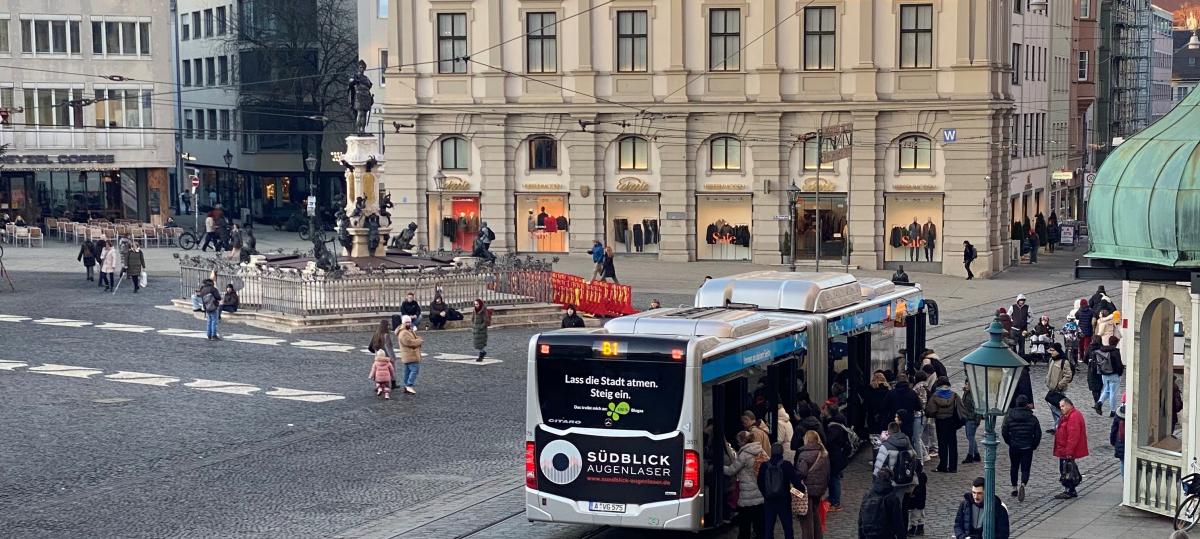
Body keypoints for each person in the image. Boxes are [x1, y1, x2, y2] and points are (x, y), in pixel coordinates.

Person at [723, 431, 765, 539]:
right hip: (760, 493)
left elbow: (731, 471)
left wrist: (718, 466)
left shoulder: (744, 455)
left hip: (747, 495)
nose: (737, 443)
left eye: (738, 441)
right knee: (759, 524)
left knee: (744, 525)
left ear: (743, 441)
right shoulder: (761, 451)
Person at [1000, 394, 1041, 501]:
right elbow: (1038, 434)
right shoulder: (1032, 418)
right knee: (1025, 468)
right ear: (1027, 404)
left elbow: (1004, 431)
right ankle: (1023, 483)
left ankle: (1014, 487)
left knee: (1014, 466)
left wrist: (1009, 442)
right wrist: (1034, 445)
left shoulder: (1010, 417)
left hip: (1014, 446)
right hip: (1027, 447)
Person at [759, 443, 801, 539]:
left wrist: (766, 494)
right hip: (784, 500)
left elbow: (760, 483)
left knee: (769, 528)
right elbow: (795, 482)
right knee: (787, 528)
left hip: (769, 501)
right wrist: (800, 493)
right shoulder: (786, 465)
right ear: (782, 452)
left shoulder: (764, 466)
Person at [793, 431, 829, 539]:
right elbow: (827, 472)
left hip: (806, 490)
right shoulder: (823, 453)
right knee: (815, 513)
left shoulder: (804, 454)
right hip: (819, 490)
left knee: (806, 519)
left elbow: (801, 473)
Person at [1053, 397, 1089, 499]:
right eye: (1060, 407)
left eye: (1063, 406)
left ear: (1069, 405)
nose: (1061, 408)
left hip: (1066, 450)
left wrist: (1069, 451)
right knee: (1067, 469)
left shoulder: (1073, 417)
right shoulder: (1068, 415)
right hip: (1063, 449)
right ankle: (1070, 489)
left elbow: (1073, 436)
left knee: (1067, 470)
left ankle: (1069, 489)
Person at [926, 376, 963, 472]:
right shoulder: (954, 395)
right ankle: (953, 467)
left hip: (940, 422)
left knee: (942, 444)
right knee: (952, 444)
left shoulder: (935, 396)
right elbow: (961, 408)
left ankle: (942, 465)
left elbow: (931, 410)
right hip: (951, 421)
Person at [858, 468, 906, 539]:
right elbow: (898, 522)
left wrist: (861, 535)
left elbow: (861, 518)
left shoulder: (867, 495)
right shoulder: (892, 498)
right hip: (885, 534)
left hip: (868, 534)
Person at [822, 409, 852, 512]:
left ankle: (835, 503)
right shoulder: (838, 425)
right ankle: (833, 499)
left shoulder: (834, 428)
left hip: (835, 457)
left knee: (834, 479)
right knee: (834, 478)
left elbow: (828, 441)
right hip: (838, 457)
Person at [883, 374, 921, 439]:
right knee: (907, 440)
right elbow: (918, 407)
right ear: (907, 381)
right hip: (908, 421)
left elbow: (884, 407)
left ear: (897, 381)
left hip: (894, 420)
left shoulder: (891, 393)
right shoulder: (912, 393)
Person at [1094, 336, 1124, 416]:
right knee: (1113, 393)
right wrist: (1120, 372)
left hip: (1104, 374)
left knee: (1106, 390)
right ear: (1116, 343)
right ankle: (1113, 411)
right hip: (1114, 374)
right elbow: (1119, 364)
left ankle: (1099, 403)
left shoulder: (1103, 350)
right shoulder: (1115, 352)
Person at [1045, 343, 1073, 429]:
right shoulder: (1051, 360)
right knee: (1053, 409)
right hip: (1052, 389)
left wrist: (1060, 385)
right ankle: (1057, 426)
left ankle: (1060, 426)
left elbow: (1068, 375)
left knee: (1059, 409)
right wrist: (1047, 381)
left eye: (1053, 350)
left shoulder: (1064, 362)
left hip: (1059, 390)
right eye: (1051, 350)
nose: (1051, 352)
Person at [396, 315, 424, 394]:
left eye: (409, 322)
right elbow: (409, 342)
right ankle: (409, 385)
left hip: (409, 355)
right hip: (410, 355)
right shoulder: (404, 332)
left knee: (407, 371)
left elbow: (413, 338)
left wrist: (418, 339)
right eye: (406, 322)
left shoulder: (408, 330)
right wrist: (419, 341)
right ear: (403, 323)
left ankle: (406, 385)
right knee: (415, 370)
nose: (408, 323)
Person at [905, 457, 929, 537]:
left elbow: (915, 489)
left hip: (916, 499)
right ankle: (920, 528)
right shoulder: (923, 476)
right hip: (921, 499)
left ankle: (913, 529)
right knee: (921, 514)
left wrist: (912, 494)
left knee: (914, 516)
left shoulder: (916, 478)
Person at [960, 381, 982, 464]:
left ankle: (970, 456)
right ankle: (976, 455)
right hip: (968, 418)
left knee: (970, 437)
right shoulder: (967, 393)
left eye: (967, 384)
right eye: (965, 384)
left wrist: (976, 420)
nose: (966, 385)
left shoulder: (973, 395)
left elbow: (977, 408)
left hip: (971, 419)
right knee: (970, 437)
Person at [912, 371, 931, 462]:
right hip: (922, 415)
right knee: (918, 437)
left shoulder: (919, 388)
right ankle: (924, 454)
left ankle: (920, 458)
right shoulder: (925, 386)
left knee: (916, 438)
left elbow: (922, 402)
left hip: (919, 415)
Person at [1111, 400, 1126, 474]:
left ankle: (1124, 481)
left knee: (1123, 462)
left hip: (1120, 442)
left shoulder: (1118, 414)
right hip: (1128, 444)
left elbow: (1114, 430)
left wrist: (1113, 441)